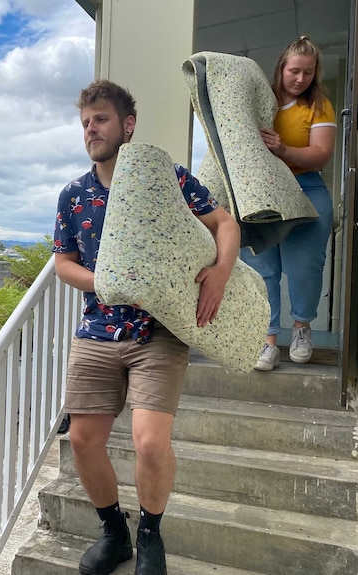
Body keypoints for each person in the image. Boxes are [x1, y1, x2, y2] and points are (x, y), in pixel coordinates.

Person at [53, 80, 240, 575]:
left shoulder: (166, 179)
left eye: (102, 120)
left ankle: (151, 534)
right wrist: (108, 282)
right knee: (81, 440)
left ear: (127, 126)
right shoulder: (73, 195)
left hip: (159, 332)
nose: (91, 129)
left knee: (151, 442)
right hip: (97, 331)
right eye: (86, 122)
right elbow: (63, 263)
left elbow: (225, 224)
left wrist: (219, 273)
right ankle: (114, 533)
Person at [244, 36, 337, 371]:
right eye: (294, 71)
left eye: (308, 73)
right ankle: (268, 340)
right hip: (262, 190)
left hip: (306, 188)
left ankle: (301, 329)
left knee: (304, 268)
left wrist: (282, 150)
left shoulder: (318, 104)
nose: (301, 79)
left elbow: (321, 155)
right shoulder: (260, 98)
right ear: (281, 68)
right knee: (262, 267)